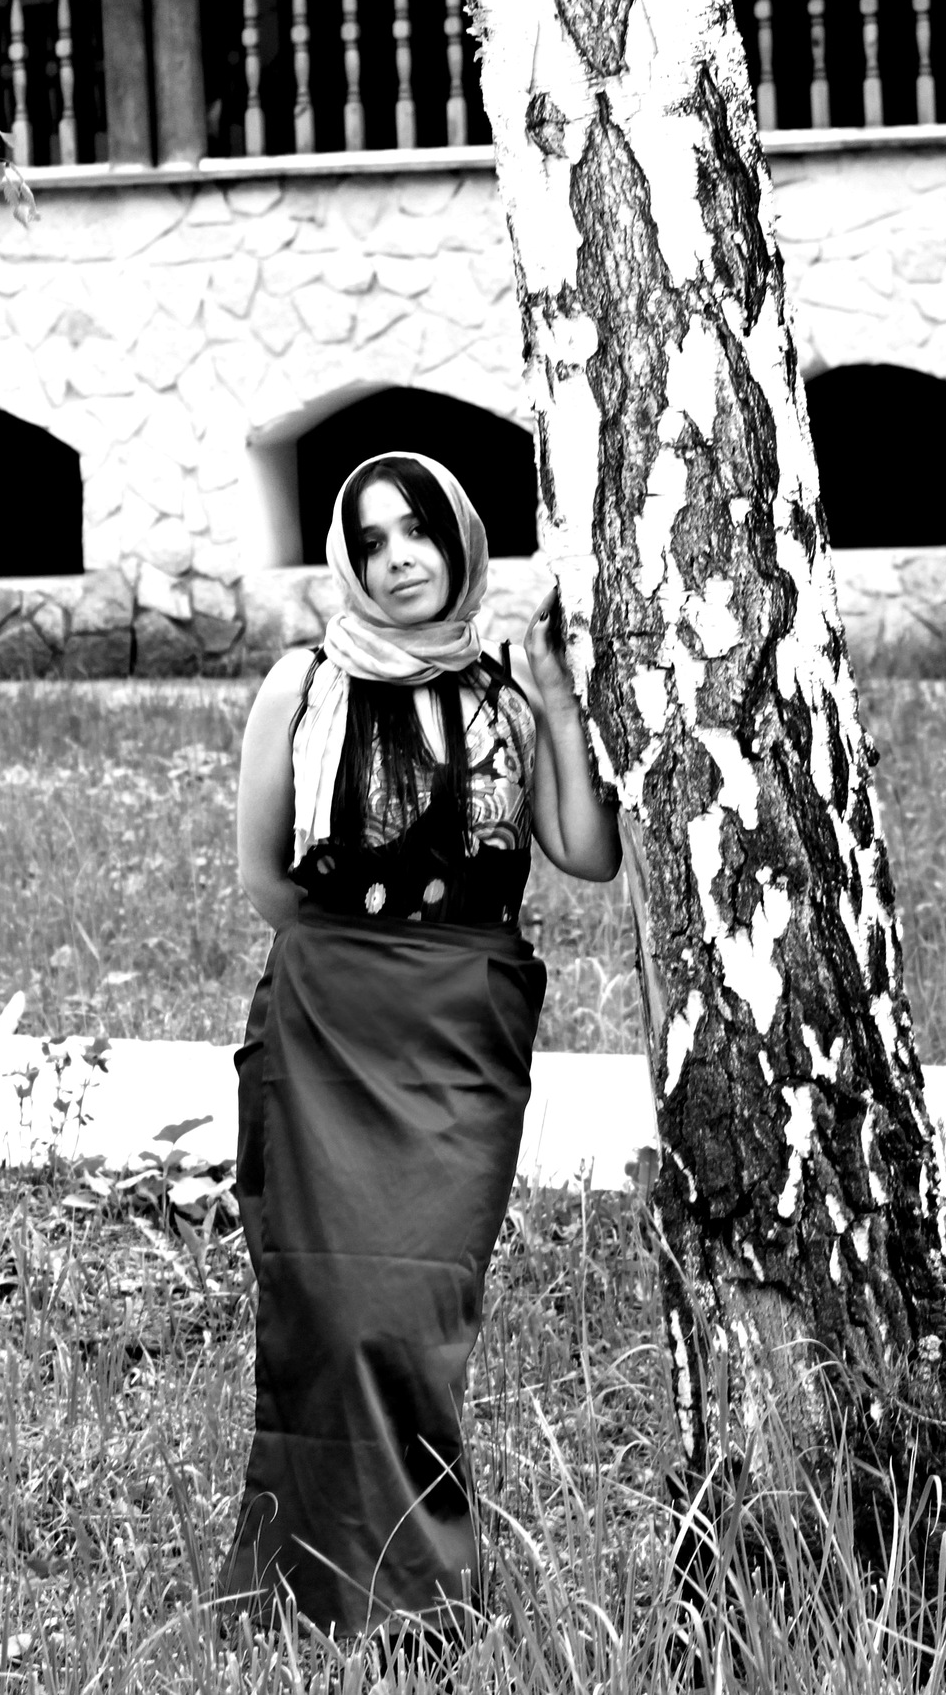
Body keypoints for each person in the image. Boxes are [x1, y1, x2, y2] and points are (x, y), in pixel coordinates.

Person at [217, 451, 621, 1641]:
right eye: (372, 540)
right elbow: (265, 880)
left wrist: (557, 705)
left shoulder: (505, 695)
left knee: (415, 1320)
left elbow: (586, 852)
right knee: (330, 1314)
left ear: (459, 542)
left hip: (460, 1034)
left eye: (419, 531)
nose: (398, 559)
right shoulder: (302, 686)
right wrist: (360, 957)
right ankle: (313, 1599)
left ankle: (418, 1598)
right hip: (329, 1025)